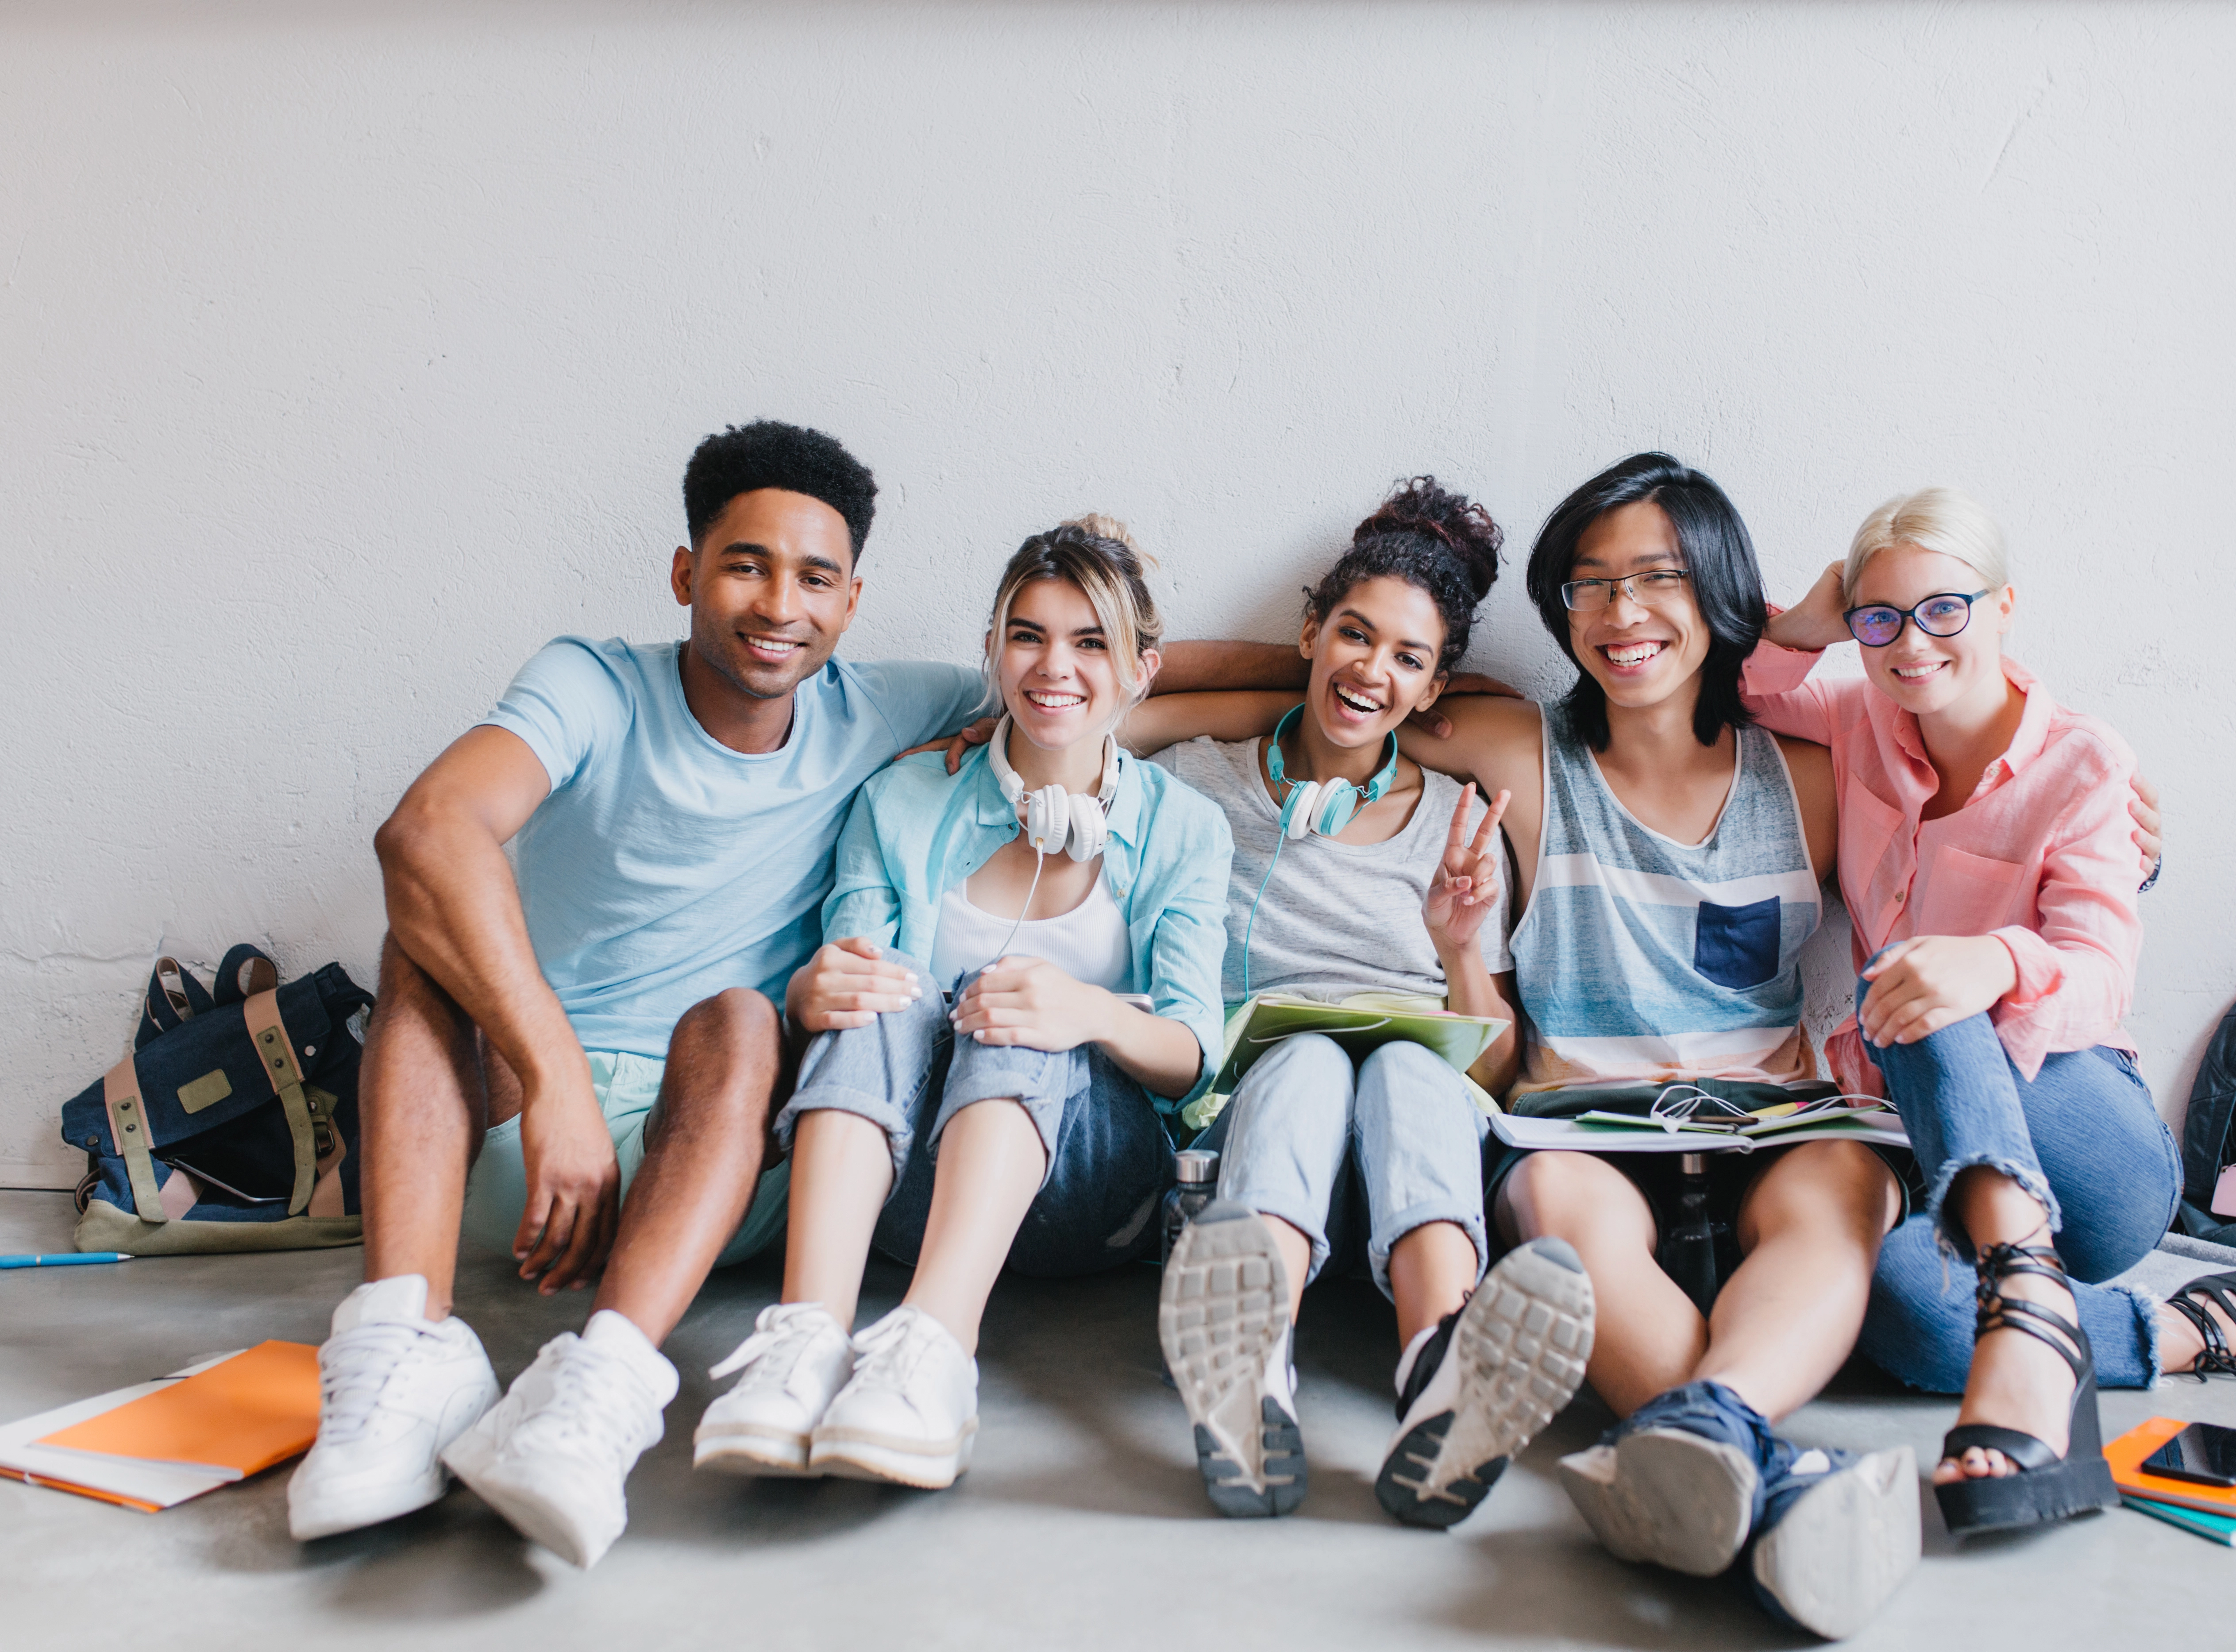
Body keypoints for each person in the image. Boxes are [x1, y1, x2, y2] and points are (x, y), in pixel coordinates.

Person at [286, 427, 1300, 1564]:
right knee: (422, 932)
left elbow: (1122, 678)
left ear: (853, 600)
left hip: (726, 1152)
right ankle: (403, 1352)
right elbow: (427, 830)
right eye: (745, 566)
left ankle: (608, 1391)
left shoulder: (914, 714)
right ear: (685, 574)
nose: (780, 604)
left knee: (770, 1012)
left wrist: (1352, 670)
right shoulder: (604, 685)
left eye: (814, 577)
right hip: (540, 1137)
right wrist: (562, 1078)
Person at [1754, 487, 2236, 1544]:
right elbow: (1736, 689)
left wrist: (1995, 957)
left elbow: (2101, 981)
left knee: (1917, 987)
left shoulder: (2087, 762)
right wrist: (1805, 624)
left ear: (2005, 605)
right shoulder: (1857, 717)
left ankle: (2025, 1288)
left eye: (1945, 610)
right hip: (1933, 1146)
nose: (1910, 643)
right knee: (1903, 1313)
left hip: (2085, 1142)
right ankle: (2219, 1325)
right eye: (1880, 618)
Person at [1392, 453, 1916, 1639]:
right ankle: (1766, 1471)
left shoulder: (1813, 779)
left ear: (1720, 592)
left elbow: (1978, 766)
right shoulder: (1517, 751)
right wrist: (1127, 694)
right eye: (1587, 585)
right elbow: (1335, 679)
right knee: (1558, 1207)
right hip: (1578, 1125)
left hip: (1776, 1125)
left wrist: (2113, 812)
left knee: (1846, 1184)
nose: (1620, 614)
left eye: (1655, 578)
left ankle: (1700, 1436)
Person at [679, 517, 1231, 1501]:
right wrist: (817, 991)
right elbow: (849, 990)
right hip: (906, 1183)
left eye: (1089, 641)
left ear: (1141, 670)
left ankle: (936, 1351)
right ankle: (807, 1341)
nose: (1052, 666)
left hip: (1088, 1196)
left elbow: (1194, 1054)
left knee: (1014, 1008)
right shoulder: (900, 801)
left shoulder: (1184, 829)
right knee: (886, 992)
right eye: (1028, 634)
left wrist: (1087, 1012)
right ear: (992, 649)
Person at [1132, 478, 1596, 1528]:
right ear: (1311, 631)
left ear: (1438, 690)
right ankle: (1249, 1372)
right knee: (1304, 1062)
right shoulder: (1200, 781)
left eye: (1408, 659)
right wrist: (1263, 691)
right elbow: (1111, 699)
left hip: (1413, 1166)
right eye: (1353, 635)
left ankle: (1443, 1368)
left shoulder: (1459, 823)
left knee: (1403, 1065)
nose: (1371, 672)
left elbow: (1494, 1072)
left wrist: (1458, 947)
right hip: (1255, 1159)